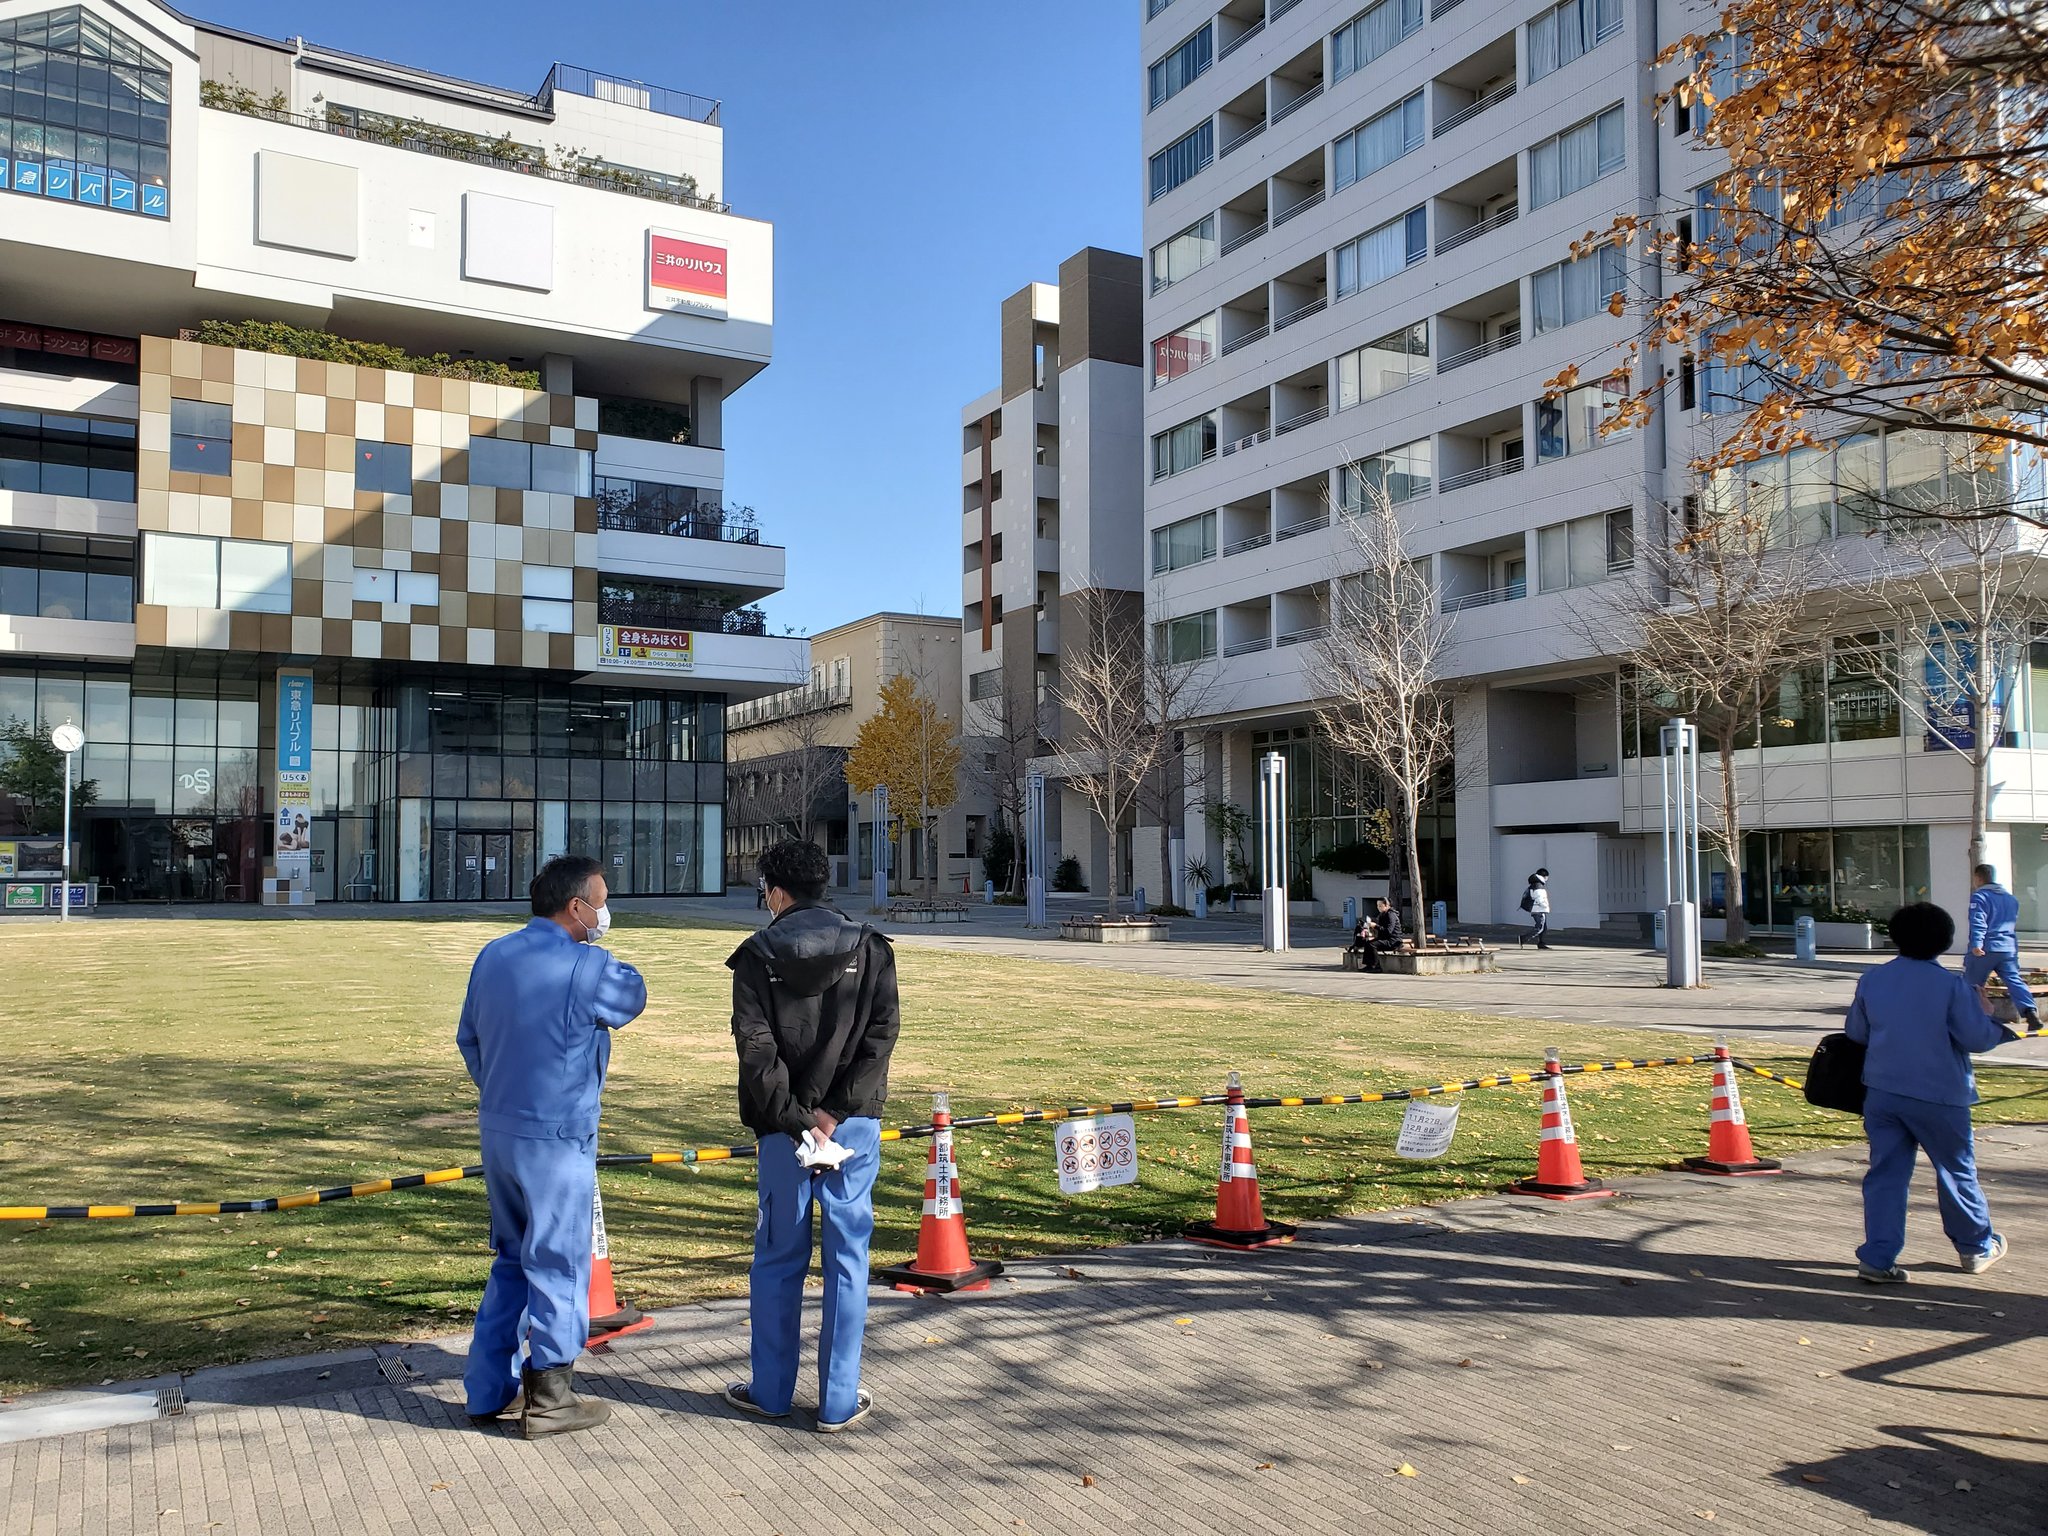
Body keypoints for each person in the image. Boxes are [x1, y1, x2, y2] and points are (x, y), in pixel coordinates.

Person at [457, 855, 647, 1437]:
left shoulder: (493, 955)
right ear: (576, 907)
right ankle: (551, 1396)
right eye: (602, 902)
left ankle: (486, 1389)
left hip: (500, 1129)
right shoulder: (587, 966)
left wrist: (501, 1094)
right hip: (558, 1137)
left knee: (513, 1258)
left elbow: (470, 1038)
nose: (605, 913)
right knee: (559, 1263)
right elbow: (632, 997)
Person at [724, 839, 901, 1432]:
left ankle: (771, 1391)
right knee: (848, 1260)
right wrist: (831, 1115)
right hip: (852, 1126)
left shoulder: (756, 956)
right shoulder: (872, 949)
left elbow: (756, 1049)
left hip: (783, 1129)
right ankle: (838, 1401)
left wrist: (801, 1120)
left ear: (775, 892)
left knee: (778, 1258)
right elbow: (880, 1038)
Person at [1845, 901, 2022, 1284]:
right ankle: (1975, 1247)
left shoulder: (1873, 979)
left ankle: (1877, 1257)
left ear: (1896, 937)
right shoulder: (1951, 986)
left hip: (1883, 1090)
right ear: (1944, 941)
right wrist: (1990, 1016)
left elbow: (1856, 1032)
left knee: (1886, 1174)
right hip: (1940, 1094)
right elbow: (1977, 1039)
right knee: (1956, 1171)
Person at [1966, 863, 2040, 1031]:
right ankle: (2030, 1012)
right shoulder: (2010, 898)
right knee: (2014, 980)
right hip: (2007, 947)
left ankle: (1972, 1019)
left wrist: (1977, 943)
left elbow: (1978, 921)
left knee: (1972, 984)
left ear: (1978, 878)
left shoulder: (1980, 897)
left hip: (1987, 948)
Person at [1519, 869, 1552, 949]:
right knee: (1539, 928)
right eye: (1547, 877)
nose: (1547, 879)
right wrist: (1545, 906)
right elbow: (1540, 898)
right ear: (1544, 876)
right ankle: (1523, 938)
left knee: (1543, 928)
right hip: (1539, 909)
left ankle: (1541, 943)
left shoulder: (1535, 884)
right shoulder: (1538, 885)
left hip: (1537, 909)